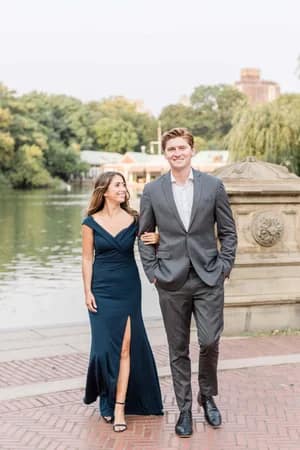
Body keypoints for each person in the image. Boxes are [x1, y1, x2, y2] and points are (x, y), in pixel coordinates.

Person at [138, 127, 237, 437]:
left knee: (209, 342)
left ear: (192, 150)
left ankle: (207, 397)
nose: (177, 153)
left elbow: (228, 232)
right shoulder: (153, 191)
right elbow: (144, 235)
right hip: (170, 280)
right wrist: (153, 272)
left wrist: (224, 266)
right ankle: (184, 409)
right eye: (171, 149)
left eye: (182, 148)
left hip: (209, 277)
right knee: (177, 348)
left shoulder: (213, 186)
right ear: (165, 154)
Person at [81, 171, 163, 433]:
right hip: (101, 289)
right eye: (118, 185)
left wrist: (159, 239)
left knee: (126, 348)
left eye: (124, 185)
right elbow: (86, 259)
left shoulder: (135, 220)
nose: (123, 189)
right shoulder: (90, 222)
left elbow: (156, 241)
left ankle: (119, 407)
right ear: (104, 191)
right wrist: (87, 291)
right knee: (104, 349)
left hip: (128, 287)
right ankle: (105, 397)